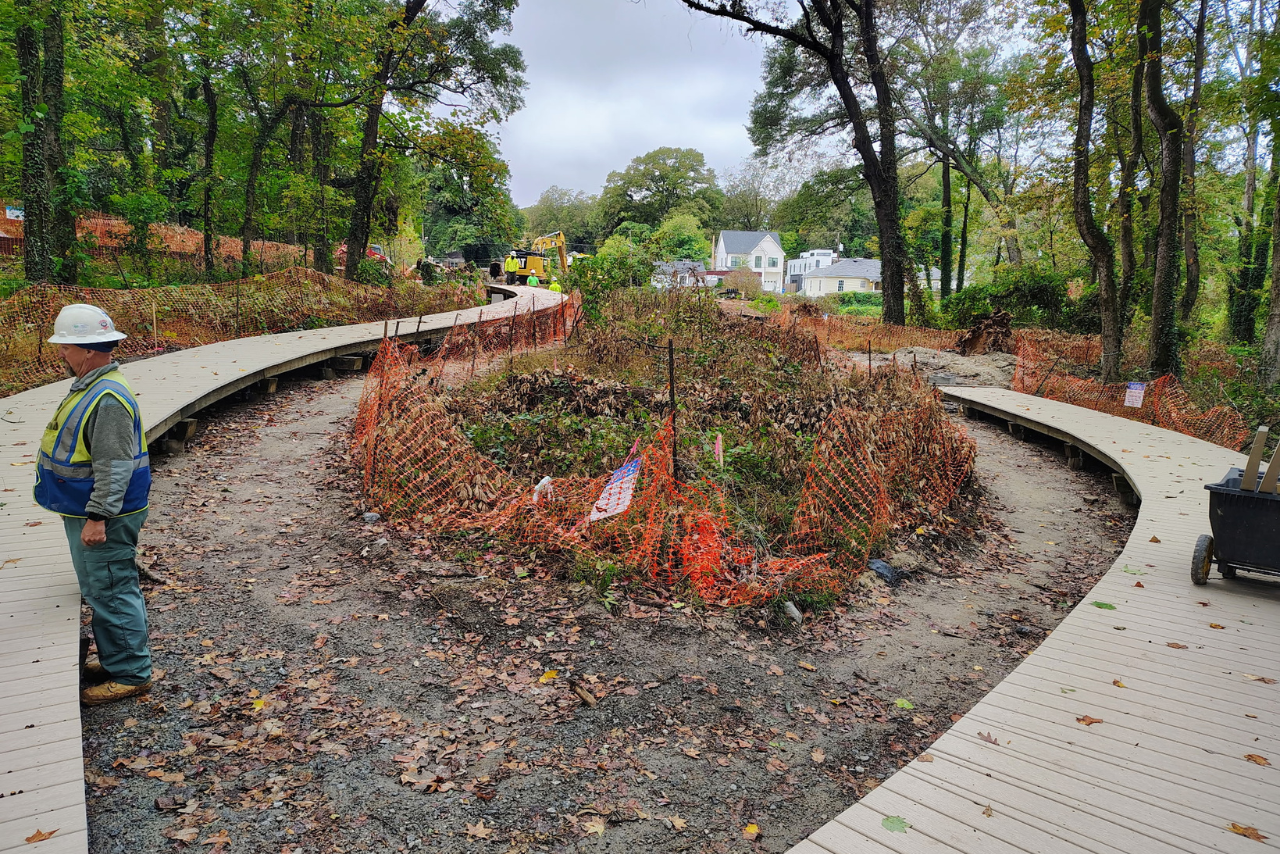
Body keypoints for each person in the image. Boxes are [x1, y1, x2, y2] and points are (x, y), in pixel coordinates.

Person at [35, 304, 154, 706]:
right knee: (101, 587)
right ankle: (117, 658)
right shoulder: (94, 385)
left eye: (66, 347)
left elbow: (114, 465)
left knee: (112, 589)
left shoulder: (107, 398)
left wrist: (98, 516)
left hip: (106, 513)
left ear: (87, 351)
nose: (61, 354)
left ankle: (132, 673)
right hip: (90, 508)